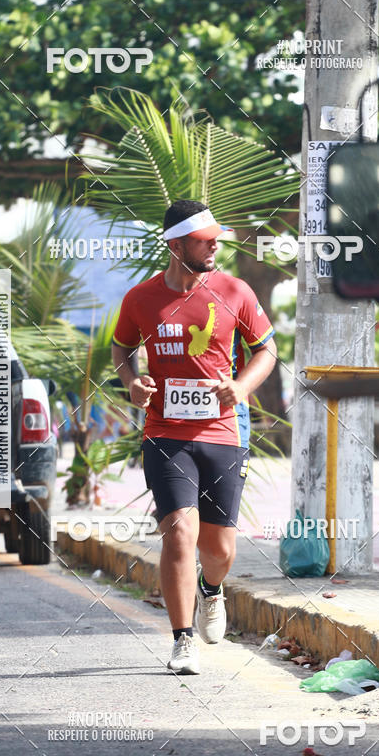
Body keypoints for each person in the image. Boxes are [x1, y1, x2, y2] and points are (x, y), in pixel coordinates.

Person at [112, 200, 277, 674]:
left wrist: (240, 387)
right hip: (165, 434)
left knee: (219, 549)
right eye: (206, 240)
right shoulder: (140, 299)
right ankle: (183, 640)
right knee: (179, 534)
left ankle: (212, 588)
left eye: (216, 238)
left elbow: (266, 350)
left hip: (222, 432)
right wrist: (132, 380)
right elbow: (122, 347)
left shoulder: (234, 290)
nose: (216, 245)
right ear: (176, 244)